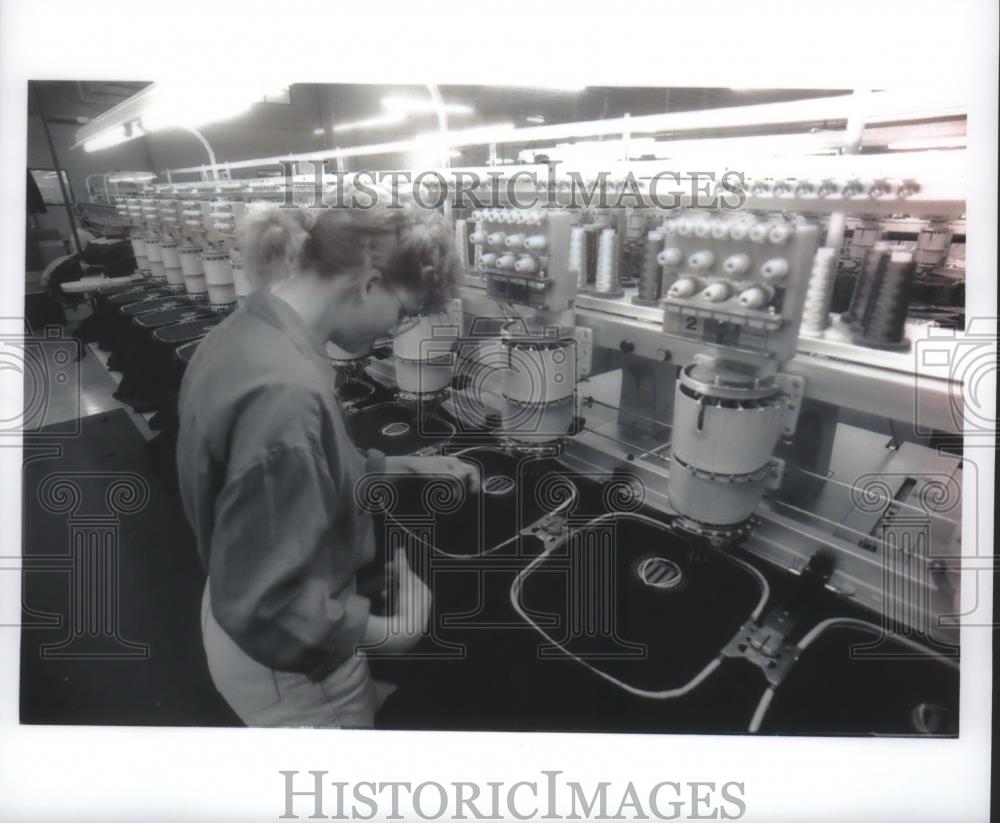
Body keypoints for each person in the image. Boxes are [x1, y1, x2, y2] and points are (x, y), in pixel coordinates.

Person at [175, 195, 479, 727]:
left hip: (231, 609)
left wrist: (403, 467)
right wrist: (395, 632)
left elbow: (289, 468)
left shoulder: (252, 335)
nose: (395, 332)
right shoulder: (287, 393)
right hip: (287, 658)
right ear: (368, 284)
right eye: (404, 313)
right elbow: (272, 605)